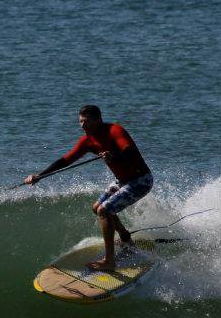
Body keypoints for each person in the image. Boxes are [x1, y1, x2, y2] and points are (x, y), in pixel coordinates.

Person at [25, 105, 153, 270]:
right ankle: (125, 237)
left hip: (140, 180)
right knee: (96, 207)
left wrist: (114, 157)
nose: (82, 126)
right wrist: (40, 176)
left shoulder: (115, 130)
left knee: (104, 211)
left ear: (98, 119)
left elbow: (131, 152)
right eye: (80, 122)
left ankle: (109, 261)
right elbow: (66, 160)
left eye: (86, 121)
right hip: (122, 181)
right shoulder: (87, 140)